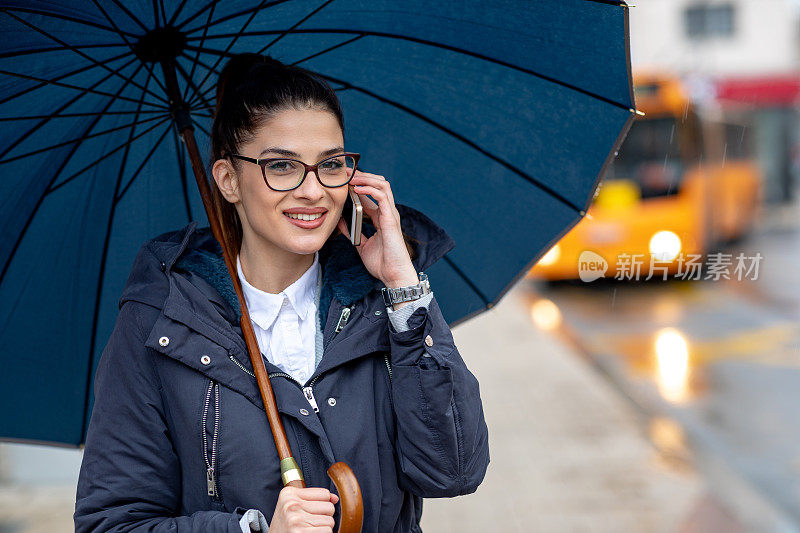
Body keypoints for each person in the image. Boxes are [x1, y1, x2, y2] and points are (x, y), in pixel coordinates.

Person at [74, 52, 489, 532]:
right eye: (283, 167)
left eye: (331, 164)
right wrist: (251, 530)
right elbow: (111, 524)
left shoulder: (381, 303)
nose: (314, 191)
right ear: (228, 179)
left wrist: (403, 286)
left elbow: (454, 470)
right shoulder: (160, 320)